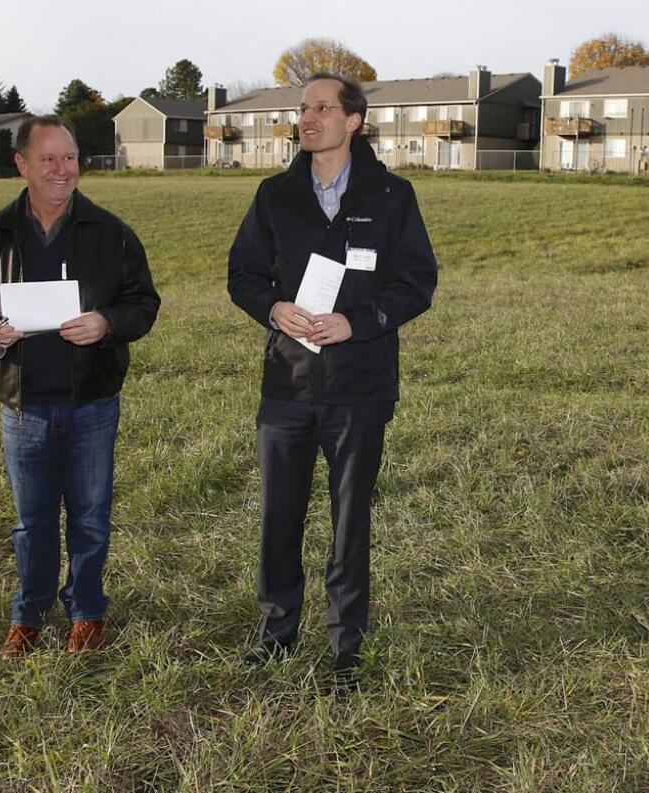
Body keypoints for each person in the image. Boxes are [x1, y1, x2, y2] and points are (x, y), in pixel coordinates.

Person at [228, 73, 437, 690]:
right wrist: (273, 308)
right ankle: (276, 634)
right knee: (278, 515)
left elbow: (416, 283)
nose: (308, 117)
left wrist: (358, 322)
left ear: (354, 121)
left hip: (360, 386)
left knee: (351, 519)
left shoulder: (392, 195)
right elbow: (242, 275)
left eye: (323, 107)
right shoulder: (273, 195)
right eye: (303, 108)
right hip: (287, 385)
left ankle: (347, 645)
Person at [0, 115, 160, 658]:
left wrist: (108, 322)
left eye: (69, 158)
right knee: (31, 521)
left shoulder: (111, 234)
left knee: (90, 515)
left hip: (92, 402)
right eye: (48, 159)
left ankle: (87, 611)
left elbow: (144, 304)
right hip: (24, 407)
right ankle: (30, 613)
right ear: (22, 165)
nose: (62, 170)